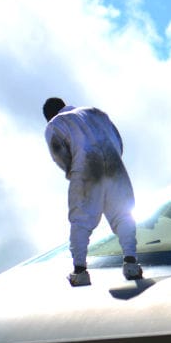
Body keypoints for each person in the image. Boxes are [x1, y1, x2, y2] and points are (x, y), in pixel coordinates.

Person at [42, 97, 143, 286]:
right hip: (115, 166)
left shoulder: (54, 124)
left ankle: (80, 271)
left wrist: (75, 171)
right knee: (123, 215)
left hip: (85, 167)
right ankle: (131, 263)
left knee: (81, 220)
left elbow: (60, 154)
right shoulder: (96, 113)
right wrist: (112, 163)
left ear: (49, 115)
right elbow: (118, 141)